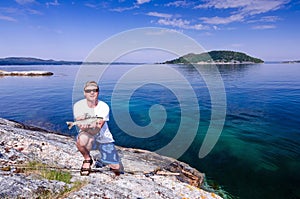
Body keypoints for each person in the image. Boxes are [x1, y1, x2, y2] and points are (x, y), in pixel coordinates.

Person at [73, 81, 122, 176]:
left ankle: (103, 158)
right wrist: (84, 126)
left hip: (104, 139)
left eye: (95, 90)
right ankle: (87, 159)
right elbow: (80, 125)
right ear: (84, 93)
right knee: (82, 139)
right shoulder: (78, 106)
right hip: (88, 136)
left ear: (98, 92)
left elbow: (98, 128)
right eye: (88, 90)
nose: (92, 93)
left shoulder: (104, 106)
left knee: (116, 169)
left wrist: (91, 125)